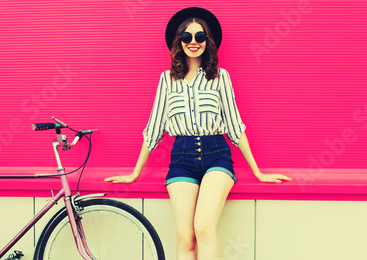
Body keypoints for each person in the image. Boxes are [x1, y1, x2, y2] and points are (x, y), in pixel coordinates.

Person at [105, 7, 292, 260]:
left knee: (203, 227)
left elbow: (235, 126)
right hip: (181, 158)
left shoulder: (220, 77)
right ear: (179, 42)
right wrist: (135, 172)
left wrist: (259, 172)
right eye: (187, 37)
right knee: (185, 237)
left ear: (208, 41)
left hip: (217, 155)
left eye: (200, 37)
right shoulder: (167, 80)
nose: (193, 42)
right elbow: (154, 128)